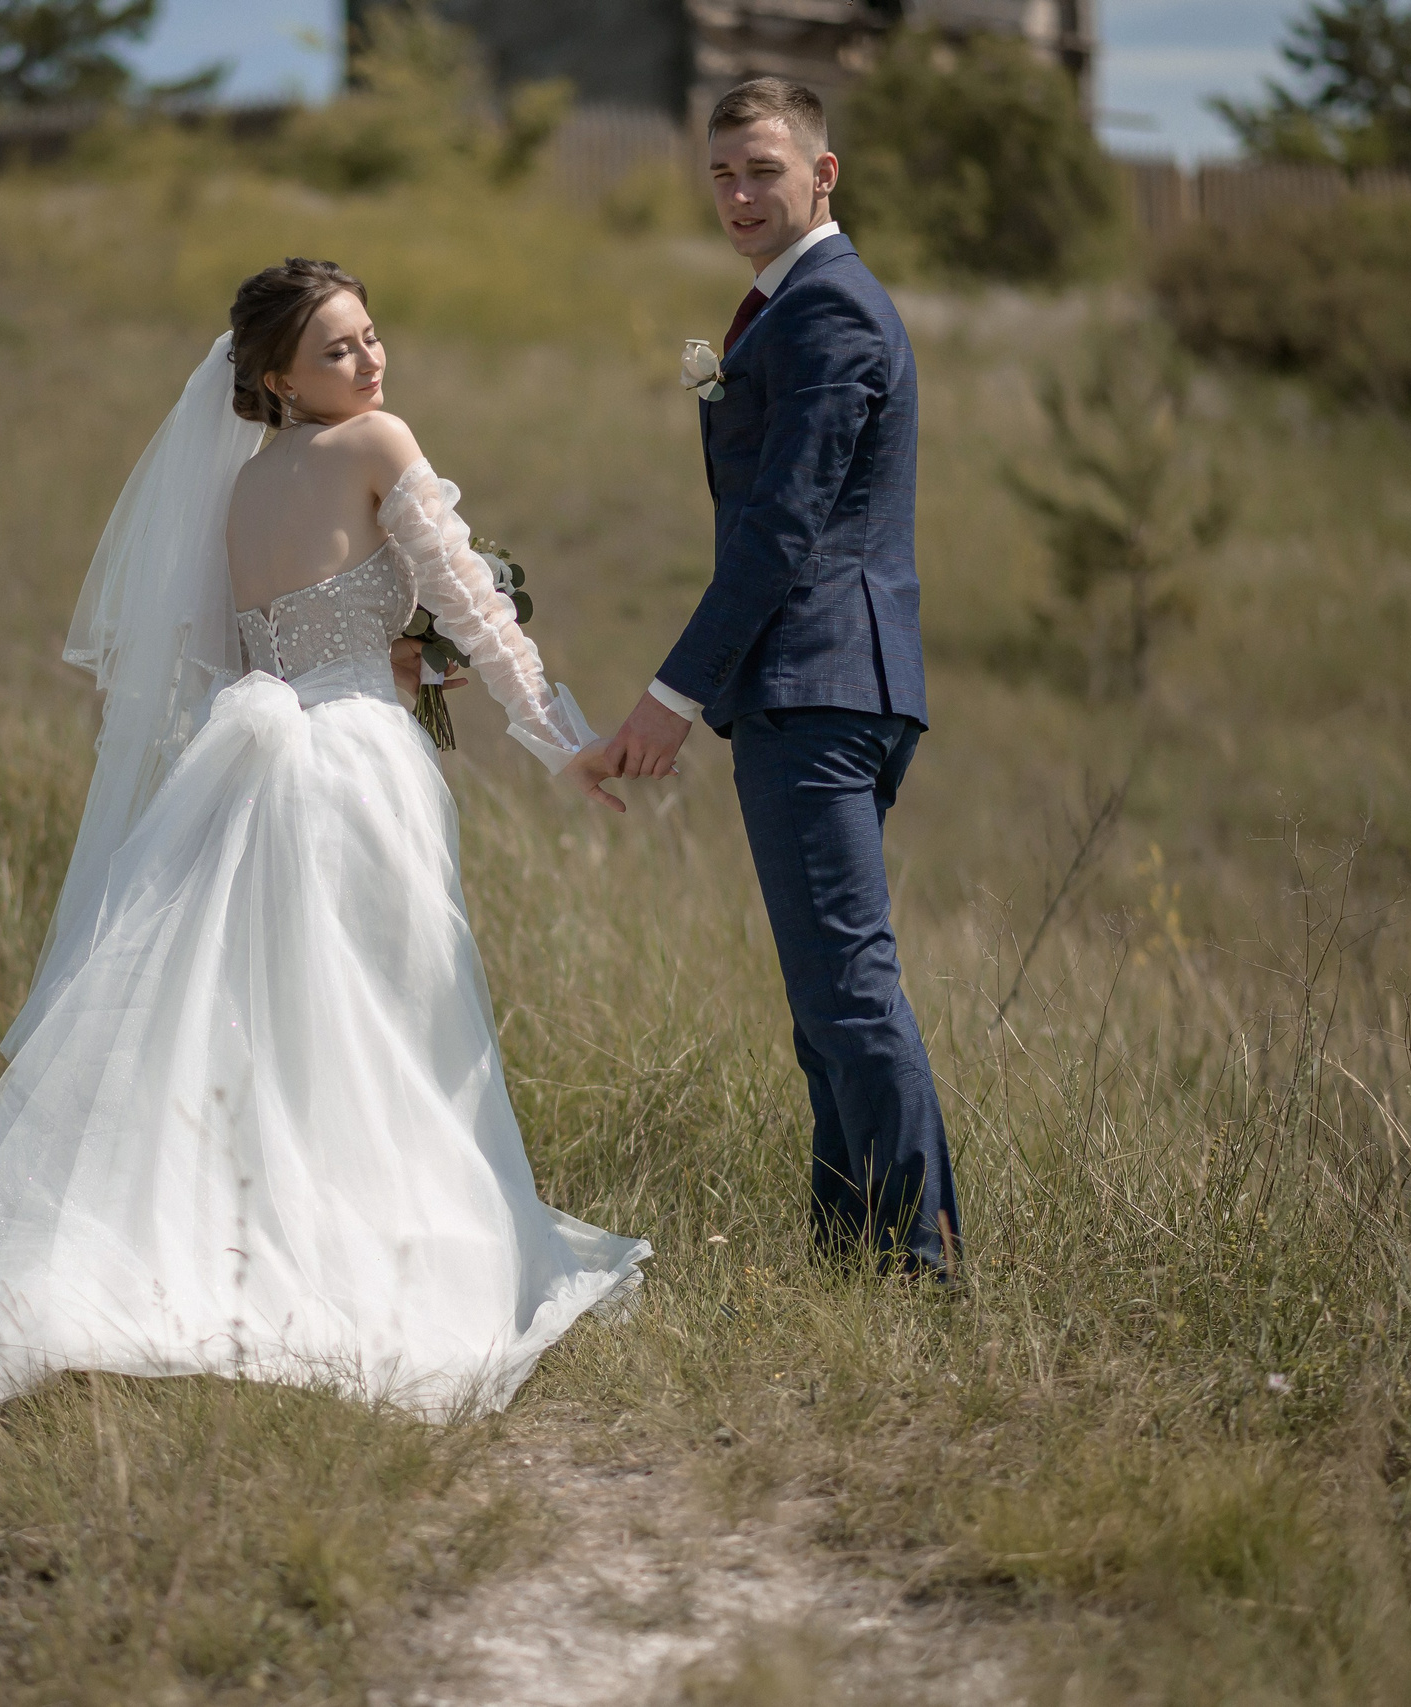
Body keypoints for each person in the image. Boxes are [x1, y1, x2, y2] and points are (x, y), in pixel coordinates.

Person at [0, 261, 648, 1437]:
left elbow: (257, 646)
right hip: (354, 767)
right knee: (387, 1022)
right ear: (274, 377)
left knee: (273, 1025)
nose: (367, 363)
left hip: (254, 764)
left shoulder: (241, 488)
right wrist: (559, 738)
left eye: (370, 338)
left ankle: (240, 1242)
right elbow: (466, 596)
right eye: (337, 352)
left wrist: (400, 660)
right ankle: (382, 1259)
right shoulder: (378, 445)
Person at [591, 77, 961, 1276]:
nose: (741, 194)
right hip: (816, 685)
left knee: (848, 995)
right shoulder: (778, 309)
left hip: (819, 683)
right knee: (824, 1001)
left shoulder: (832, 313)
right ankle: (850, 1257)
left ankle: (920, 1269)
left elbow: (783, 529)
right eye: (723, 174)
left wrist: (673, 695)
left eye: (763, 169)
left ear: (823, 172)